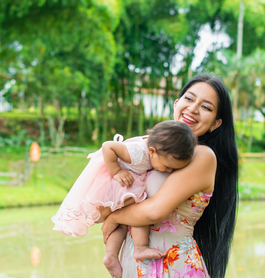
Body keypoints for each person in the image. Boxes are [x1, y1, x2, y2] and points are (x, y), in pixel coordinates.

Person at [102, 74, 239, 278]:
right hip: (136, 262)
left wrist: (115, 218)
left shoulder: (203, 156)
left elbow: (154, 211)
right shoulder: (156, 147)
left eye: (206, 107)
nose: (193, 109)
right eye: (189, 99)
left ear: (215, 124)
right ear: (177, 103)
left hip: (172, 264)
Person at [51, 120, 198, 276]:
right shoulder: (137, 152)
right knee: (139, 211)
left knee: (124, 222)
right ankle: (139, 248)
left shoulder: (159, 150)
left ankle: (110, 255)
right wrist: (116, 172)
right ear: (152, 151)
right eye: (167, 167)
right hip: (116, 183)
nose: (168, 170)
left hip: (126, 183)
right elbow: (108, 146)